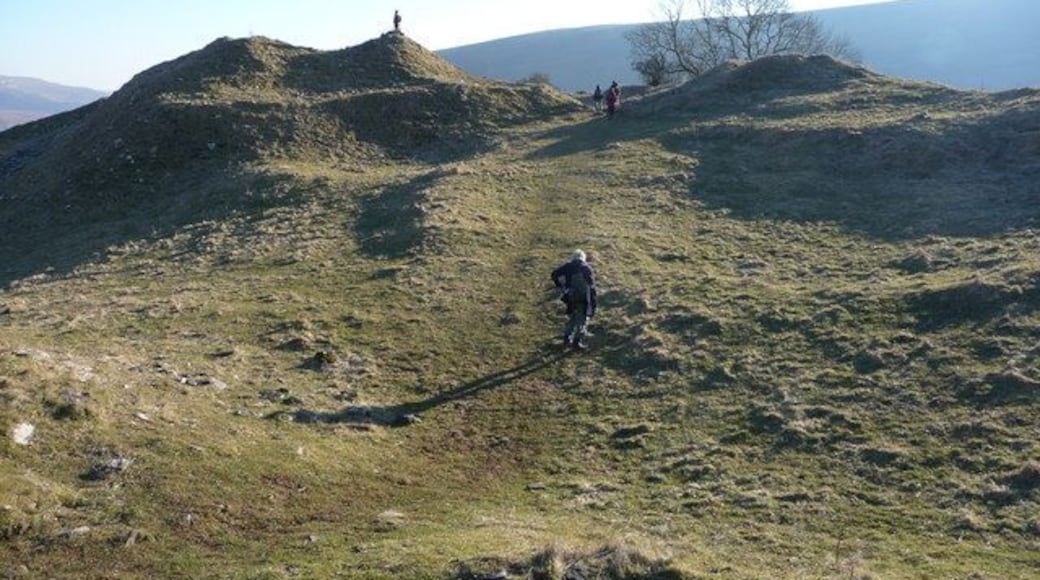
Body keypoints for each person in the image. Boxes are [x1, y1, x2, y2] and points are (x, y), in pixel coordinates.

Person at [551, 249, 597, 350]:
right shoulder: (586, 268)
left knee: (572, 318)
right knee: (583, 320)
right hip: (584, 298)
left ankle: (566, 339)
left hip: (570, 297)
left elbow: (554, 274)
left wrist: (561, 287)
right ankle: (577, 342)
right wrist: (593, 304)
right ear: (583, 258)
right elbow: (591, 287)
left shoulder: (567, 267)